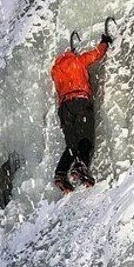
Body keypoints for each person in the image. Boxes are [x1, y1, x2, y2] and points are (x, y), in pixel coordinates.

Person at [50, 29, 113, 192]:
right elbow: (96, 55)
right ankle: (81, 167)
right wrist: (105, 42)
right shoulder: (77, 61)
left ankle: (61, 173)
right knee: (86, 139)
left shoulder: (55, 70)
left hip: (64, 108)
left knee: (71, 144)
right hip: (80, 101)